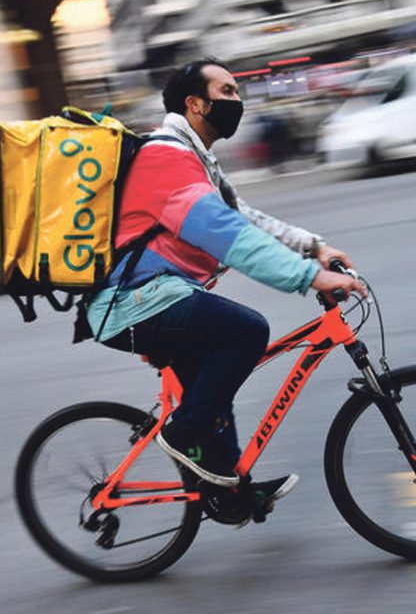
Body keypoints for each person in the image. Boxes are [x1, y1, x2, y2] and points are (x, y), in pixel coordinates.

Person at [85, 58, 365, 516]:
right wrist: (308, 277)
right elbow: (227, 234)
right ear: (195, 104)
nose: (239, 101)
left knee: (214, 385)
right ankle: (182, 435)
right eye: (228, 92)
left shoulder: (193, 156)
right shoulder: (165, 157)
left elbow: (243, 216)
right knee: (245, 332)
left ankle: (230, 491)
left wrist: (314, 247)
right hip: (131, 303)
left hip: (159, 295)